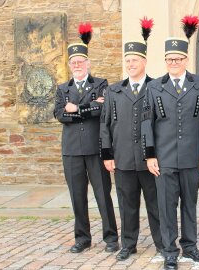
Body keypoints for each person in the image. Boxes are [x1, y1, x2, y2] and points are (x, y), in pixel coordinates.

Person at [141, 16, 199, 270]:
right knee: (166, 206)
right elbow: (146, 123)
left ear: (186, 60)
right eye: (170, 59)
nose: (174, 62)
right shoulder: (154, 88)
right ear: (165, 61)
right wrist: (149, 155)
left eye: (179, 59)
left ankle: (191, 246)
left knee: (190, 203)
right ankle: (169, 250)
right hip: (163, 158)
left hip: (192, 156)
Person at [100, 17, 163, 261]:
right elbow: (105, 126)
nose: (130, 64)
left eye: (135, 60)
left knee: (155, 205)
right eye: (127, 61)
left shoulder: (157, 87)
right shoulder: (114, 90)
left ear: (144, 62)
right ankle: (128, 244)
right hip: (123, 158)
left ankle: (161, 242)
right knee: (127, 205)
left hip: (150, 160)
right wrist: (107, 154)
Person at [53, 23, 118, 253]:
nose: (77, 65)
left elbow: (103, 110)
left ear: (88, 63)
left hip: (95, 148)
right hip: (71, 151)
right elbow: (59, 114)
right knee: (77, 197)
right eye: (73, 63)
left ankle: (111, 238)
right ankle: (82, 238)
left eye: (81, 61)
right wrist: (88, 107)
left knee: (103, 195)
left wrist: (76, 109)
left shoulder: (100, 84)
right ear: (70, 65)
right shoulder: (62, 89)